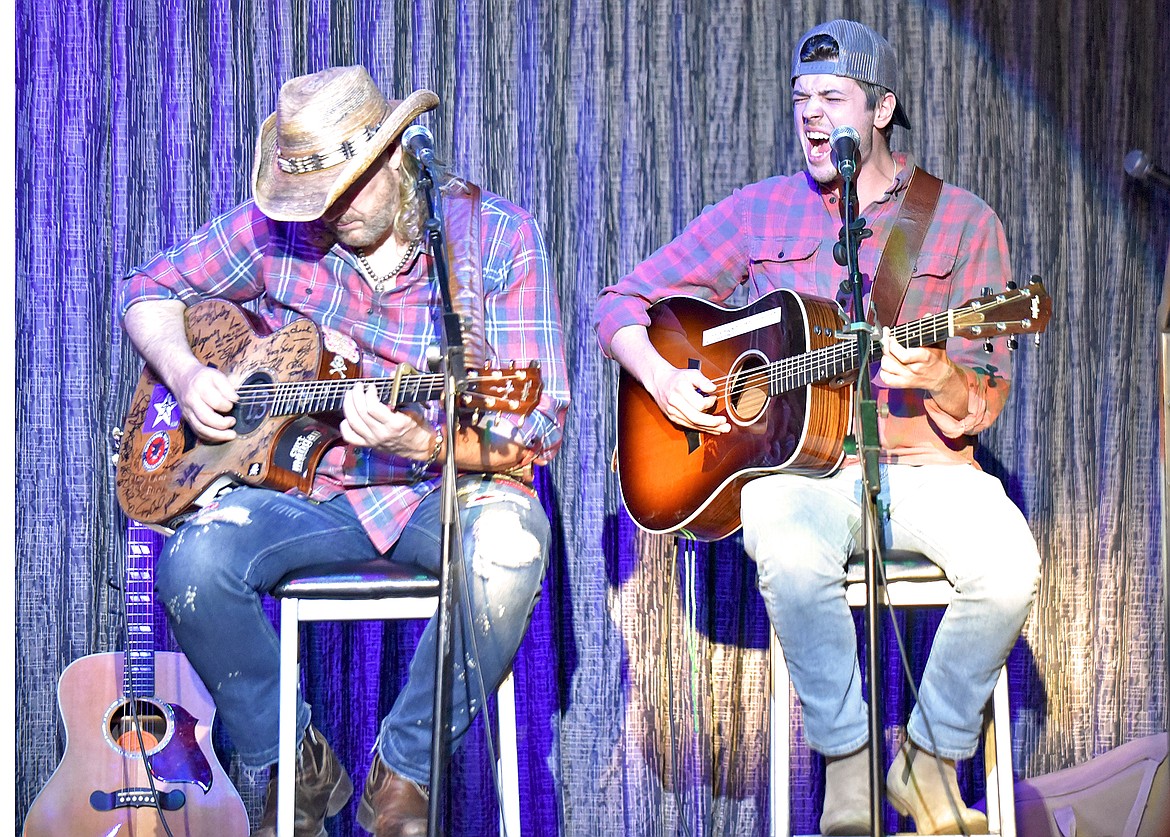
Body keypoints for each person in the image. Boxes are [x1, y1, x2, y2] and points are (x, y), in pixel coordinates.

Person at [595, 19, 1040, 836]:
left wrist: (940, 374)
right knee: (783, 540)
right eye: (800, 98)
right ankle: (848, 758)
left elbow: (985, 394)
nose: (808, 114)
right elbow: (620, 305)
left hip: (927, 469)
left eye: (831, 97)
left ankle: (931, 757)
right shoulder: (757, 212)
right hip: (803, 476)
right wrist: (664, 376)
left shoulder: (963, 221)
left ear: (881, 108)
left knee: (1011, 560)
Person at [118, 65, 569, 837]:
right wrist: (189, 374)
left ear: (395, 156)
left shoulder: (495, 237)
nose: (327, 212)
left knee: (509, 546)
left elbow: (541, 427)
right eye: (311, 197)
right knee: (192, 565)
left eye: (345, 190)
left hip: (438, 487)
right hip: (315, 491)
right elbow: (144, 289)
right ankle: (294, 760)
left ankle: (402, 769)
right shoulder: (278, 231)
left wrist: (423, 438)